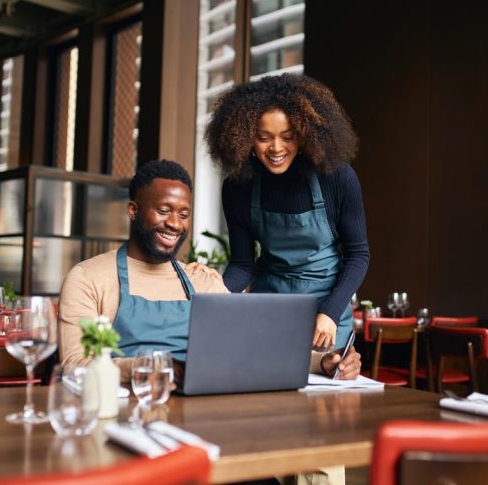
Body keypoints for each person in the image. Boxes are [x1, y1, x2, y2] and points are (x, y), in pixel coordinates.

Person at [58, 159, 360, 381]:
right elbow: (74, 365)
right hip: (122, 412)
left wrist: (324, 363)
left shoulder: (201, 281)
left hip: (199, 417)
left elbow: (254, 349)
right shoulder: (88, 278)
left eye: (184, 214)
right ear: (133, 210)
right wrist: (151, 368)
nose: (175, 223)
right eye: (163, 211)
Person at [204, 73, 370, 353]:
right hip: (269, 305)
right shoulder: (238, 187)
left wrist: (330, 312)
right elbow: (243, 265)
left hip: (327, 307)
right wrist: (212, 292)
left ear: (305, 135)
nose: (276, 148)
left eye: (288, 137)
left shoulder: (337, 177)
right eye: (263, 138)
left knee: (325, 391)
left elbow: (358, 254)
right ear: (245, 138)